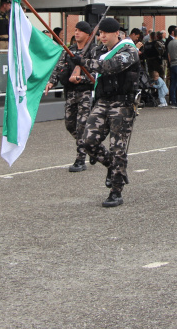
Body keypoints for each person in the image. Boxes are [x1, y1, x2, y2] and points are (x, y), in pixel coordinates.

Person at [70, 17, 140, 207]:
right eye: (100, 33)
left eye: (105, 33)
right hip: (102, 101)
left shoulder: (129, 51)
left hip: (122, 105)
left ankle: (116, 191)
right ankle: (112, 166)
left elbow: (111, 66)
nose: (101, 37)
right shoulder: (99, 50)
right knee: (87, 141)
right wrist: (78, 61)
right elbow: (89, 64)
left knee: (118, 149)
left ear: (116, 33)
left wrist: (84, 62)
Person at [45, 21, 97, 172]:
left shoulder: (94, 51)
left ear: (88, 34)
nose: (76, 33)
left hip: (85, 93)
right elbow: (60, 67)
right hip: (70, 92)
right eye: (75, 30)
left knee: (81, 126)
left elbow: (97, 73)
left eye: (80, 31)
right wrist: (52, 82)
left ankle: (80, 160)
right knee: (69, 125)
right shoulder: (70, 50)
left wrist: (83, 79)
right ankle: (91, 147)